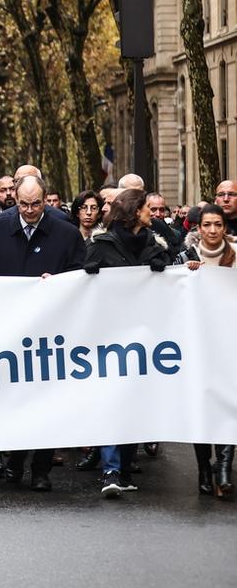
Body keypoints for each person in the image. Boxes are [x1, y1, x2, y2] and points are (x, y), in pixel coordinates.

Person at [0, 176, 84, 492]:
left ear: (45, 199)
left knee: (47, 402)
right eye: (22, 204)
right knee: (15, 400)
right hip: (9, 330)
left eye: (35, 204)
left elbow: (81, 273)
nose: (28, 210)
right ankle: (15, 459)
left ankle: (41, 469)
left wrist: (61, 282)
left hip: (52, 332)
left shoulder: (65, 231)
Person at [83, 189, 173, 499]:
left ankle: (123, 467)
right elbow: (83, 279)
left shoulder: (151, 243)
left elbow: (169, 271)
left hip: (144, 340)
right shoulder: (100, 245)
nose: (153, 212)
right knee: (111, 400)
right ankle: (110, 469)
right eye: (148, 207)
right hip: (108, 337)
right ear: (135, 211)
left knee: (135, 400)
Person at [180, 204, 236, 499]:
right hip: (198, 345)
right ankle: (204, 467)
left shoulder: (236, 255)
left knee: (230, 404)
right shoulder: (185, 257)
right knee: (202, 407)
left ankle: (224, 466)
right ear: (198, 229)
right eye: (207, 225)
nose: (213, 231)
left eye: (218, 225)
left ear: (225, 227)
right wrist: (186, 274)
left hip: (230, 344)